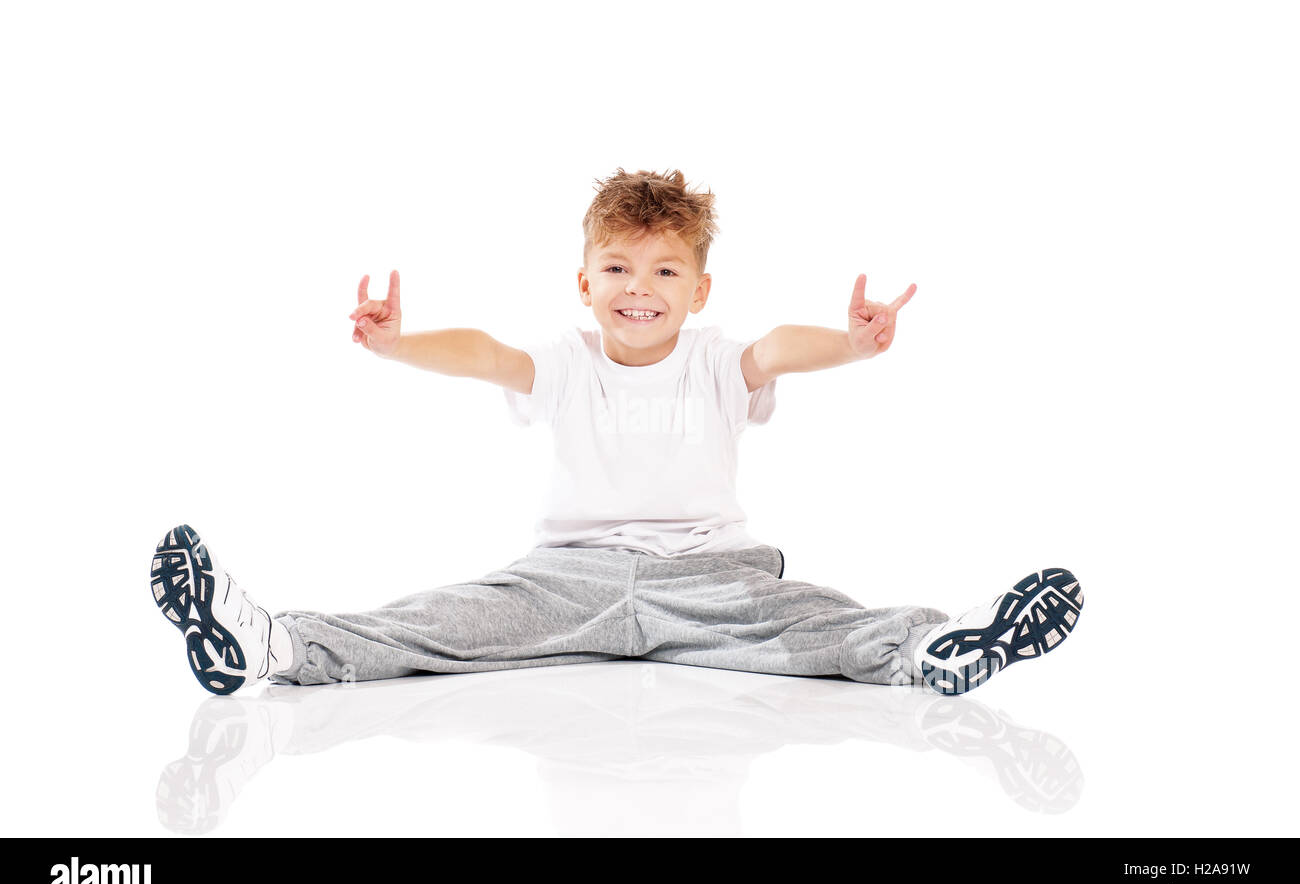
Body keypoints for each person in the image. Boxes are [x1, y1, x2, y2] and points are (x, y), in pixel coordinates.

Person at [148, 168, 1083, 699]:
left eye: (667, 272)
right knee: (436, 620)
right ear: (585, 282)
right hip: (567, 579)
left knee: (820, 622)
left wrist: (852, 341)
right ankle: (268, 642)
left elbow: (777, 350)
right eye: (619, 268)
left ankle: (938, 647)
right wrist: (397, 345)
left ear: (699, 291)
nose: (642, 288)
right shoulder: (564, 361)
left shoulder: (718, 361)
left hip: (712, 576)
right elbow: (487, 354)